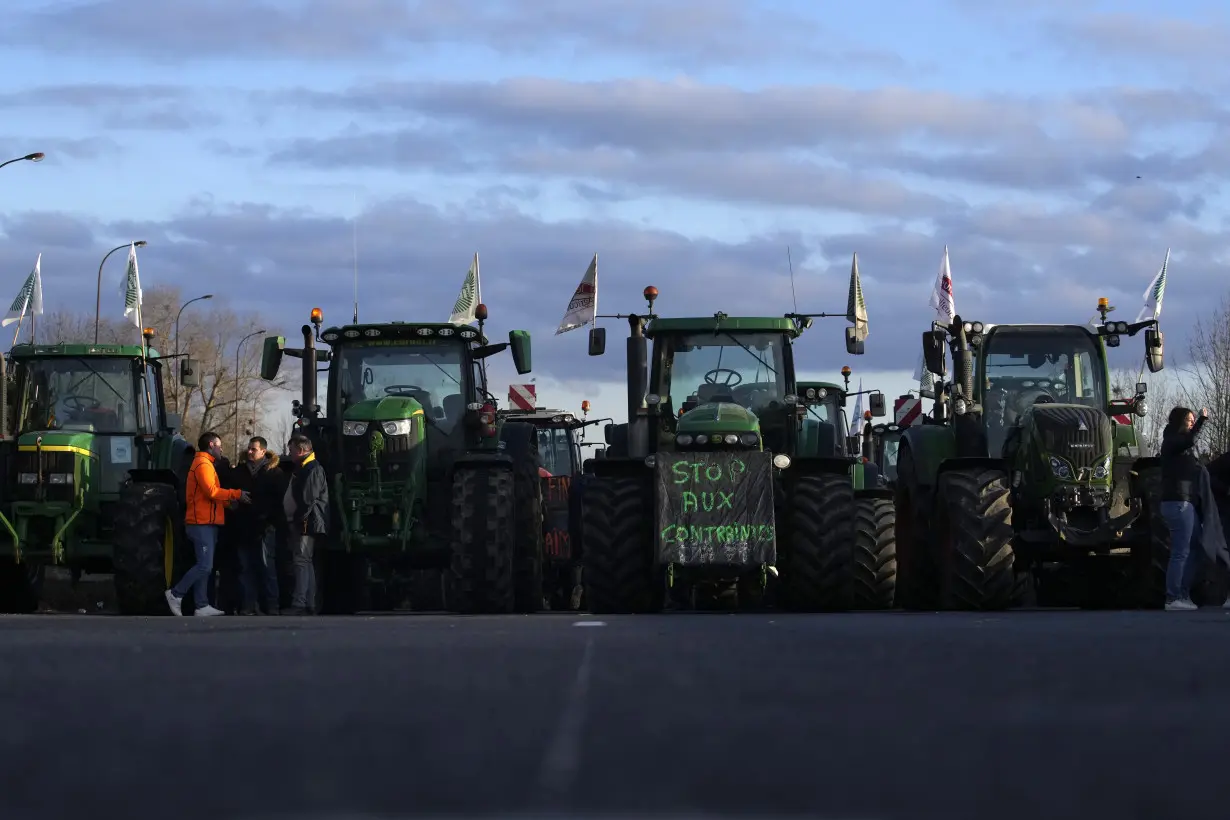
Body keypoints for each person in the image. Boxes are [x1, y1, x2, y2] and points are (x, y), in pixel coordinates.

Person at [166, 432, 250, 617]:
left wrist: (229, 503)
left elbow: (208, 496)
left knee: (206, 565)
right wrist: (236, 495)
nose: (221, 449)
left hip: (208, 522)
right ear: (211, 444)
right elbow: (212, 491)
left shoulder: (206, 464)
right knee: (204, 565)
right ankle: (175, 594)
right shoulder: (203, 464)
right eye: (219, 445)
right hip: (200, 523)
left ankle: (201, 605)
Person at [228, 436, 287, 615]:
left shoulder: (275, 474)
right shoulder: (239, 472)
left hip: (265, 527)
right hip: (243, 527)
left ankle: (271, 605)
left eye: (254, 449)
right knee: (245, 568)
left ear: (263, 451)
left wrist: (271, 521)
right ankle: (247, 605)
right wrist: (237, 499)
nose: (250, 452)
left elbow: (280, 502)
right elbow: (231, 495)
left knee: (267, 567)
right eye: (249, 448)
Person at [1159, 406, 1209, 611]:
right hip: (1178, 502)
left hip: (1185, 502)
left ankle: (1184, 593)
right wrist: (1202, 421)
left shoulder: (1179, 445)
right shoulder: (1172, 441)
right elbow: (1189, 440)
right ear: (1180, 421)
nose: (1191, 422)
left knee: (1195, 545)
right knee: (1181, 551)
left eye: (1193, 420)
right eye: (1189, 420)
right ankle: (1173, 597)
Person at [283, 434, 329, 616]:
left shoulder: (312, 468)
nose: (290, 453)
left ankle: (300, 603)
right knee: (305, 561)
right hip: (307, 521)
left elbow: (307, 499)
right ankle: (308, 602)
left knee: (301, 561)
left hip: (306, 522)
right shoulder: (307, 467)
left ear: (301, 450)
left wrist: (297, 520)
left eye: (292, 449)